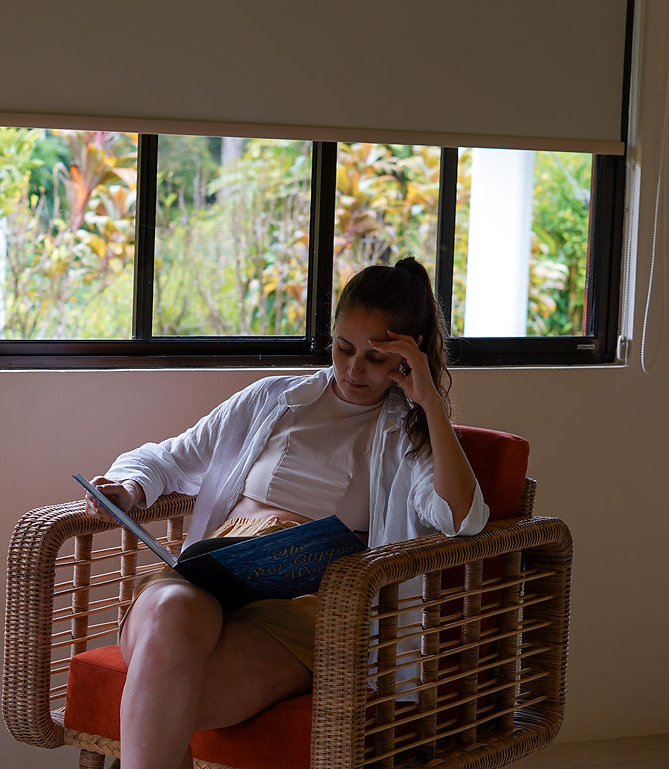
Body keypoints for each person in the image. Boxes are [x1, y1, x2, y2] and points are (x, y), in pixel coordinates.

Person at [84, 257, 489, 769]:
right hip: (210, 575)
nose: (354, 369)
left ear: (409, 360)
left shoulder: (407, 436)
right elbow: (168, 457)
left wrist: (429, 402)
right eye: (344, 348)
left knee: (165, 694)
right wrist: (130, 488)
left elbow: (463, 519)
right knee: (171, 612)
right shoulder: (273, 398)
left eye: (377, 357)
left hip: (302, 609)